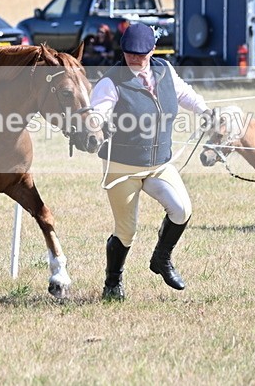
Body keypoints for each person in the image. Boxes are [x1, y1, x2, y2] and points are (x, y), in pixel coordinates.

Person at [90, 22, 212, 300]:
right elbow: (100, 109)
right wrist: (96, 122)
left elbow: (184, 94)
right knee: (127, 230)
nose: (134, 58)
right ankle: (112, 283)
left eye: (141, 54)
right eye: (129, 53)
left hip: (159, 164)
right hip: (122, 167)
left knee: (181, 209)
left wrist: (204, 110)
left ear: (153, 49)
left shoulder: (165, 70)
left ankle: (161, 259)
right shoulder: (111, 81)